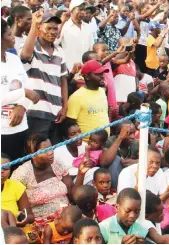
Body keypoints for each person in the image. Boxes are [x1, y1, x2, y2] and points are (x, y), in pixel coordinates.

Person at [10, 134, 77, 230]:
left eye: (51, 148)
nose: (51, 153)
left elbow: (71, 191)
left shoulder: (57, 163)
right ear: (32, 154)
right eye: (45, 150)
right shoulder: (22, 174)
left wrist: (82, 174)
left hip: (66, 217)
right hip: (42, 224)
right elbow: (13, 198)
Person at [20, 11, 68, 144]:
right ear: (40, 27)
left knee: (52, 153)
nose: (53, 32)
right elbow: (25, 56)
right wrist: (34, 25)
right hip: (36, 112)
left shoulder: (60, 51)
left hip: (56, 112)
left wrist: (64, 107)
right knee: (35, 152)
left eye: (55, 28)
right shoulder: (30, 46)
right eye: (49, 28)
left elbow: (63, 80)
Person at [1, 19, 39, 162]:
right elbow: (25, 91)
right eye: (9, 34)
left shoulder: (13, 58)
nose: (13, 37)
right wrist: (23, 93)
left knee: (19, 168)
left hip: (20, 127)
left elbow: (27, 85)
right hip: (2, 132)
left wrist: (22, 106)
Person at [66, 60, 110, 141]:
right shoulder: (76, 97)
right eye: (98, 74)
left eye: (102, 73)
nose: (102, 76)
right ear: (87, 77)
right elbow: (70, 125)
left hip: (104, 142)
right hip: (87, 145)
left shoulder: (102, 92)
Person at [100, 121, 139, 189]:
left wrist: (135, 162)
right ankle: (116, 191)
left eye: (133, 133)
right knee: (115, 160)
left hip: (131, 179)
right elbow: (104, 162)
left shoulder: (137, 143)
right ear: (118, 133)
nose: (133, 137)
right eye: (128, 133)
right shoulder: (110, 141)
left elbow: (156, 156)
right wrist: (120, 138)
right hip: (113, 179)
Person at [58, 0, 94, 71]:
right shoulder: (64, 26)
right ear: (72, 10)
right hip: (69, 67)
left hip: (85, 68)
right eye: (80, 9)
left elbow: (91, 48)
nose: (83, 12)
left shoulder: (87, 27)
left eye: (84, 9)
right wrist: (62, 22)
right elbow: (55, 42)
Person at [1, 153, 34, 227]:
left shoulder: (16, 186)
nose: (1, 171)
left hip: (15, 231)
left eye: (5, 168)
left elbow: (30, 216)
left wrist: (25, 218)